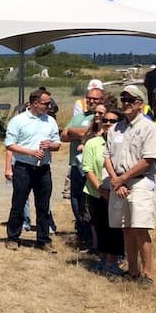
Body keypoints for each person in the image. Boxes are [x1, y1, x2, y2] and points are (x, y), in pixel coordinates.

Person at [107, 88, 156, 285]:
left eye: (131, 100)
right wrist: (116, 179)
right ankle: (132, 270)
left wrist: (123, 178)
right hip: (119, 183)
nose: (126, 103)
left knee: (141, 228)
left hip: (140, 182)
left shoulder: (149, 128)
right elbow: (107, 156)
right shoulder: (115, 128)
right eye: (124, 99)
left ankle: (148, 274)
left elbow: (148, 159)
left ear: (140, 103)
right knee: (126, 228)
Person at [4, 89, 62, 251]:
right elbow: (10, 144)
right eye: (45, 103)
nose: (48, 106)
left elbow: (57, 144)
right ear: (35, 103)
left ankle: (43, 239)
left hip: (43, 169)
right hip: (23, 168)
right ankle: (13, 237)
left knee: (43, 205)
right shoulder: (19, 120)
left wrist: (50, 146)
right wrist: (30, 152)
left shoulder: (50, 121)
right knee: (19, 203)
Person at [82, 98, 125, 276]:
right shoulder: (93, 143)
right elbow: (88, 169)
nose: (107, 123)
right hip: (97, 193)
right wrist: (101, 190)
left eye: (112, 121)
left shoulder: (123, 142)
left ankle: (116, 259)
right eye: (105, 120)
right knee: (101, 226)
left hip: (120, 191)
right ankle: (106, 260)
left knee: (117, 228)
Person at [61, 85, 104, 251]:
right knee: (76, 200)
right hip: (76, 164)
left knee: (92, 202)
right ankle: (82, 233)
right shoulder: (79, 117)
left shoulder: (104, 116)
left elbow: (92, 132)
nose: (92, 101)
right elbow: (64, 136)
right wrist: (74, 130)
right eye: (90, 98)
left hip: (94, 168)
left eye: (96, 99)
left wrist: (76, 132)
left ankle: (95, 239)